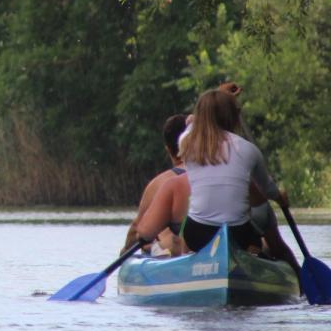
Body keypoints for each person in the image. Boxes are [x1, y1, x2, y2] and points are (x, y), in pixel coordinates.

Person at [137, 89, 288, 255]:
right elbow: (267, 190)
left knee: (183, 238)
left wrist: (201, 112)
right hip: (239, 234)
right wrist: (280, 198)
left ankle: (188, 257)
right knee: (256, 233)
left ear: (201, 117)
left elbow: (189, 123)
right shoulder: (250, 150)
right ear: (234, 117)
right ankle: (252, 251)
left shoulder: (187, 144)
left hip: (198, 233)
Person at [123, 114, 189, 256]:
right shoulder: (213, 173)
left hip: (174, 248)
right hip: (205, 249)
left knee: (158, 235)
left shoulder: (160, 182)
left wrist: (124, 253)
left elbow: (137, 228)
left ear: (168, 149)